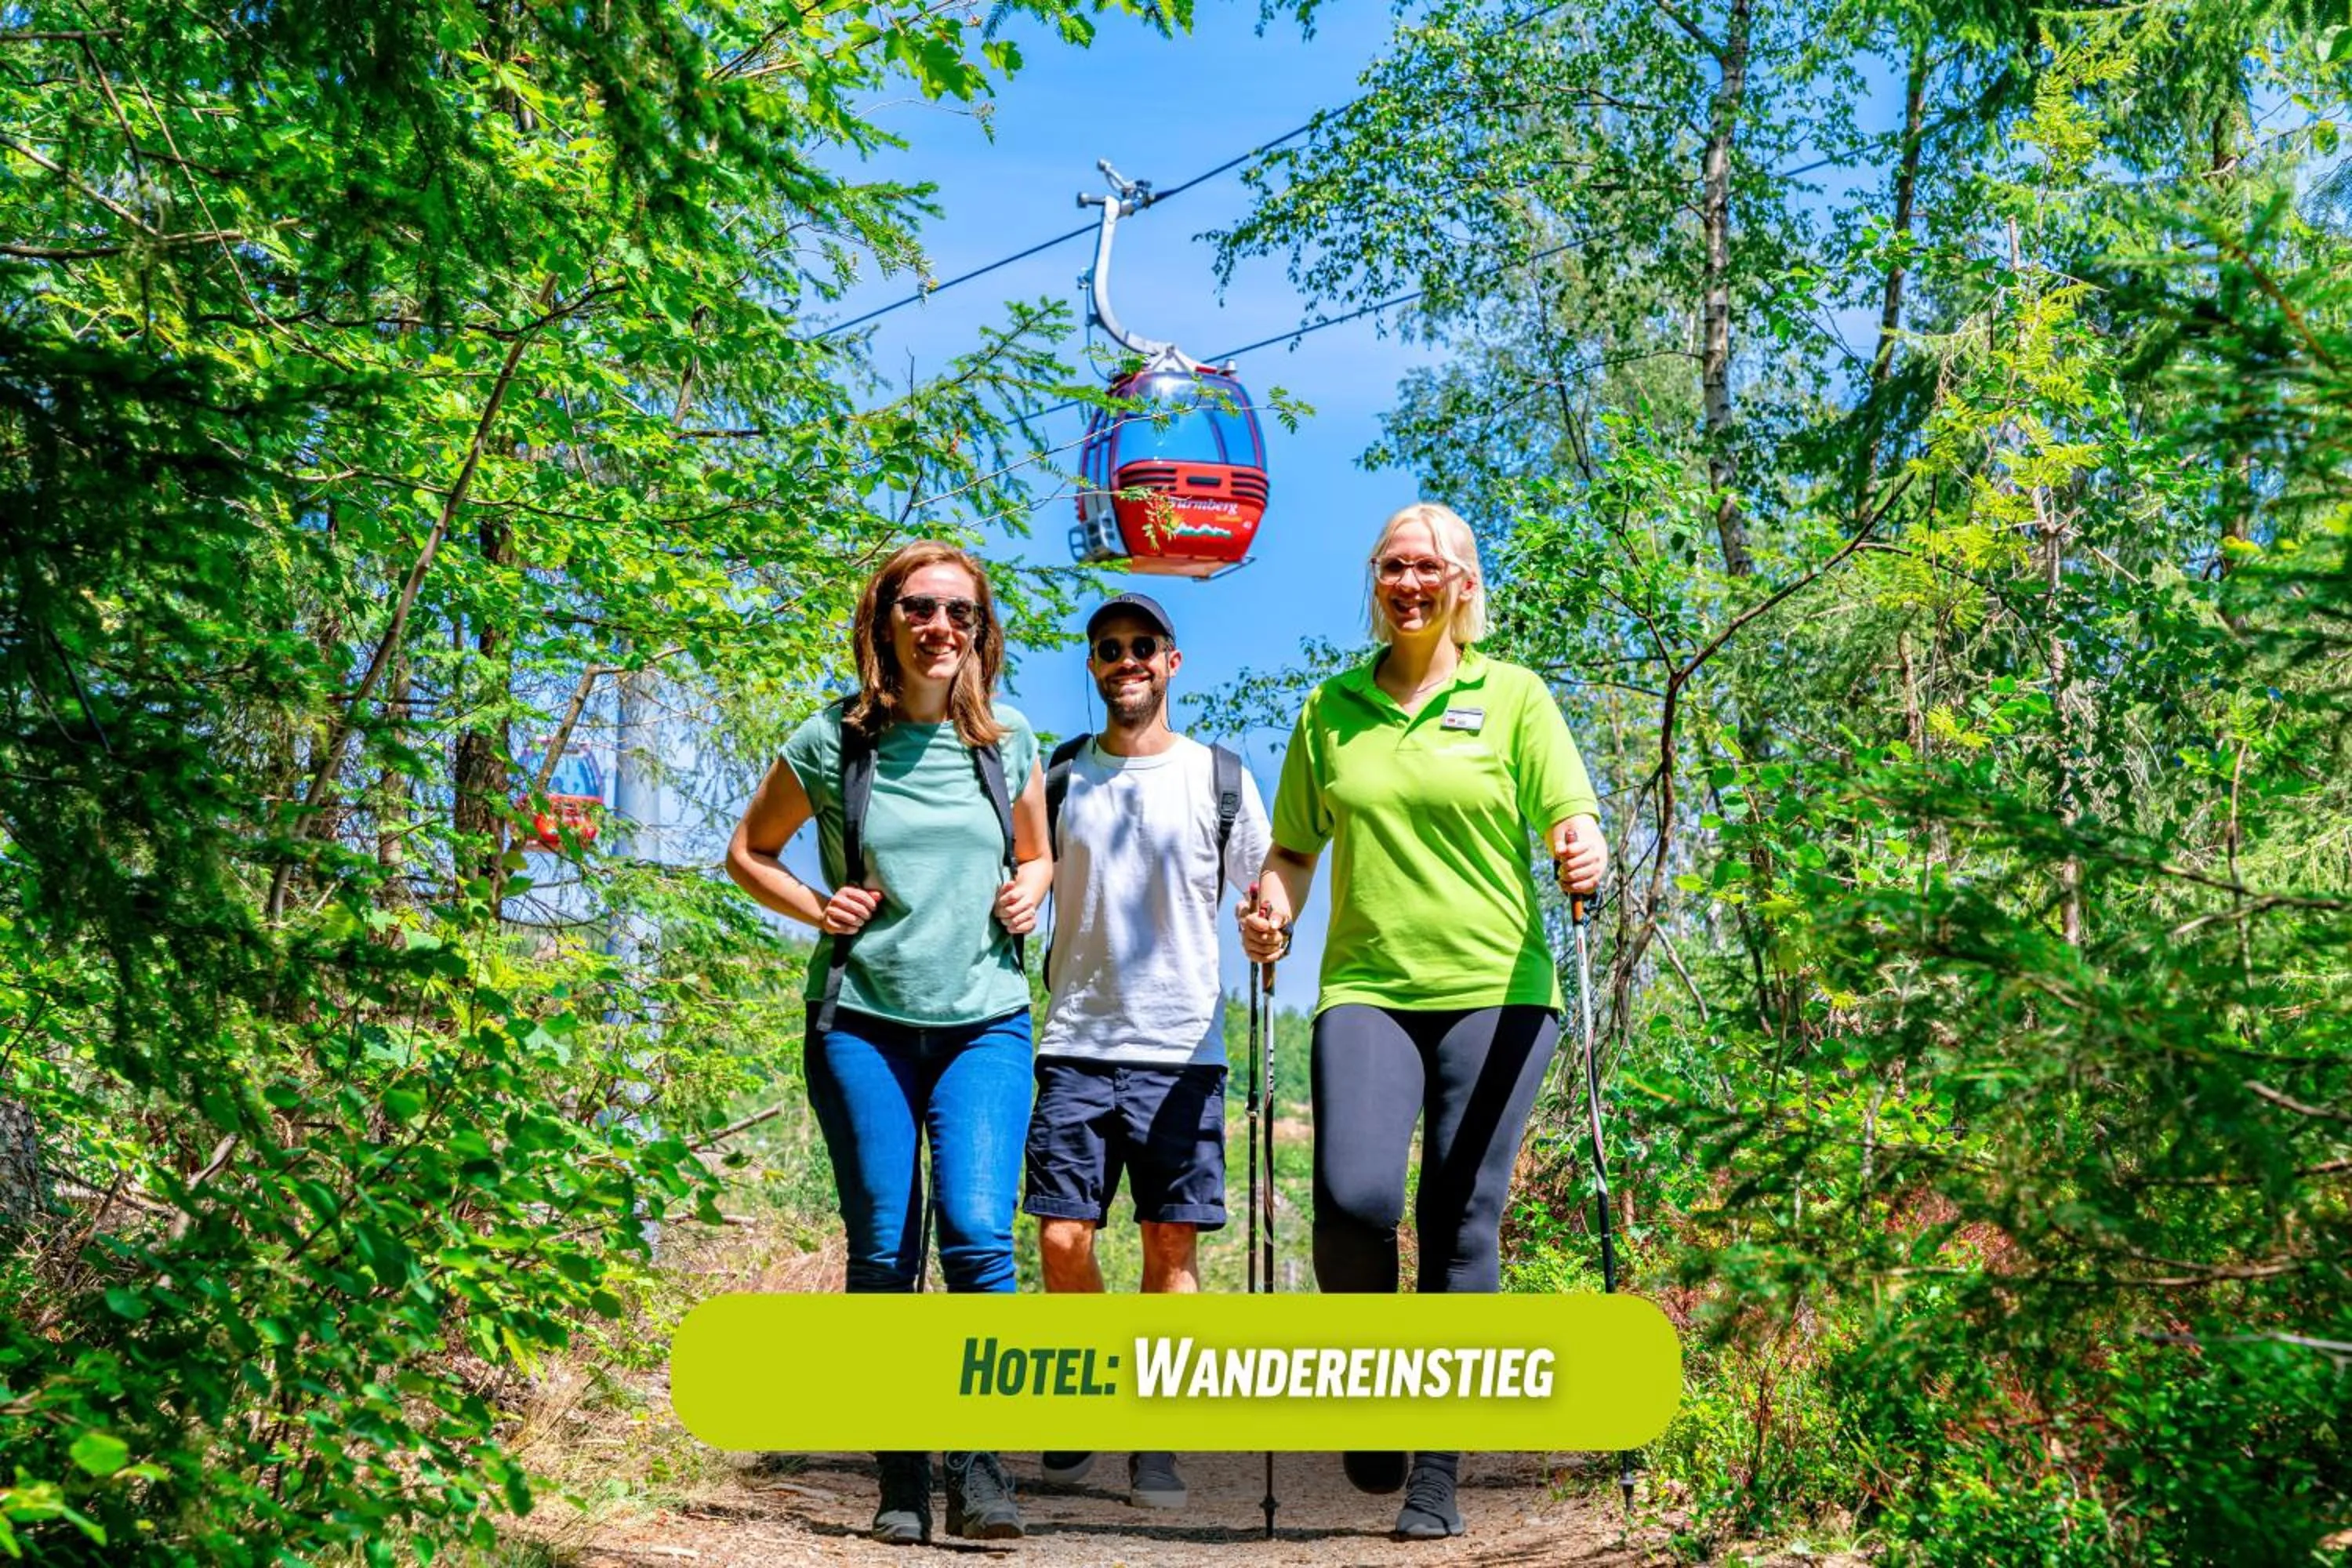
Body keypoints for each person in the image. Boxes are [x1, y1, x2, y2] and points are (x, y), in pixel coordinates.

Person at [1239, 501, 1608, 1542]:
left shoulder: (1515, 698)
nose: (1410, 582)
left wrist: (1585, 850)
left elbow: (1570, 818)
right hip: (1367, 987)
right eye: (1393, 565)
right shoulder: (1333, 707)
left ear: (1464, 585)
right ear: (1376, 580)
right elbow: (1297, 848)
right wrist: (1274, 904)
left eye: (1430, 567)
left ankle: (1436, 1473)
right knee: (1354, 1202)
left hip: (1498, 990)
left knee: (1459, 1221)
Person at [726, 541, 1051, 1546]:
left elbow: (1037, 854)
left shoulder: (1009, 737)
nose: (940, 627)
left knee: (979, 1236)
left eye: (960, 611)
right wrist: (820, 906)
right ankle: (902, 1473)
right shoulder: (833, 741)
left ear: (980, 629)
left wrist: (1032, 888)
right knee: (884, 1244)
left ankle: (982, 1468)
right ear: (886, 619)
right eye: (920, 607)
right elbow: (748, 851)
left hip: (986, 1021)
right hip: (862, 1021)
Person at [1024, 593, 1271, 1511]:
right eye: (1107, 649)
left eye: (1141, 647)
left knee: (1171, 1246)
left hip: (1184, 1046)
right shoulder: (1058, 777)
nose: (1124, 660)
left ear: (1172, 662)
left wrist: (1267, 924)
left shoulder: (1220, 777)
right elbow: (1022, 875)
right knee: (1061, 1235)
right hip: (1075, 1040)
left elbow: (1267, 882)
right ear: (1093, 667)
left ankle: (1158, 1434)